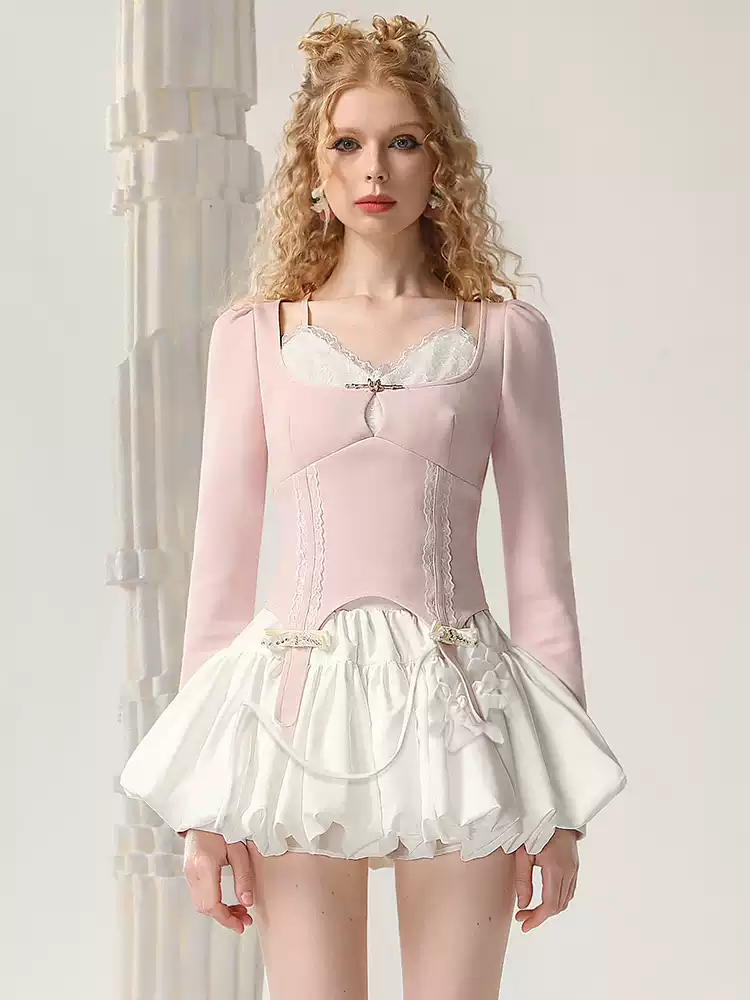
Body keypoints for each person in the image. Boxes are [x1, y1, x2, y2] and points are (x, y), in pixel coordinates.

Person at [120, 12, 626, 998]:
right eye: (347, 143)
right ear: (313, 165)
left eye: (402, 141)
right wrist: (201, 809)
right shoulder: (254, 336)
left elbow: (542, 581)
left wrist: (563, 808)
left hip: (464, 722)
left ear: (442, 162)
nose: (374, 170)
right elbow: (218, 579)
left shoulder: (506, 336)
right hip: (292, 719)